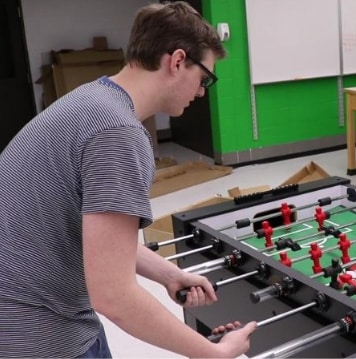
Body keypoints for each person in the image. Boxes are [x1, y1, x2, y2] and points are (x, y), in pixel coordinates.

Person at [0, 2, 256, 357]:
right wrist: (214, 354)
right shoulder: (117, 133)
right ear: (178, 61)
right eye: (205, 79)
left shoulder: (91, 100)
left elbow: (95, 237)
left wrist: (167, 274)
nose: (201, 92)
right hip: (42, 335)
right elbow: (114, 296)